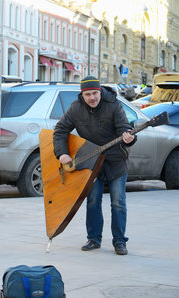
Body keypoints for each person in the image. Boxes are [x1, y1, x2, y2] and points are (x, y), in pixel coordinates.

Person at [53, 76, 136, 255]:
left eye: (95, 93)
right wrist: (62, 153)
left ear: (100, 92)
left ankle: (120, 241)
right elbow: (60, 130)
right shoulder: (76, 108)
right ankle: (93, 239)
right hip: (91, 162)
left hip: (115, 161)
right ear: (82, 95)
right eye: (88, 94)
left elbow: (124, 128)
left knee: (118, 202)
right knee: (92, 201)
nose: (92, 98)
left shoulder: (114, 105)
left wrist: (129, 137)